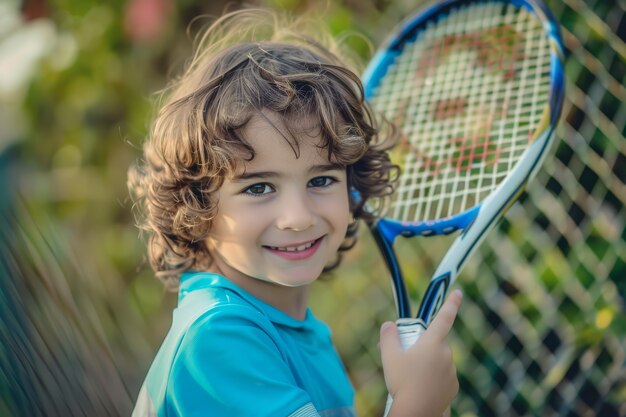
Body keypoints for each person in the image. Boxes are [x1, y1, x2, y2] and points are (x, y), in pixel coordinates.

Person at [128, 8, 462, 417]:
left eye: (321, 180)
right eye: (259, 187)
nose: (297, 217)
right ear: (197, 205)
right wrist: (418, 406)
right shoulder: (217, 340)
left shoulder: (298, 331)